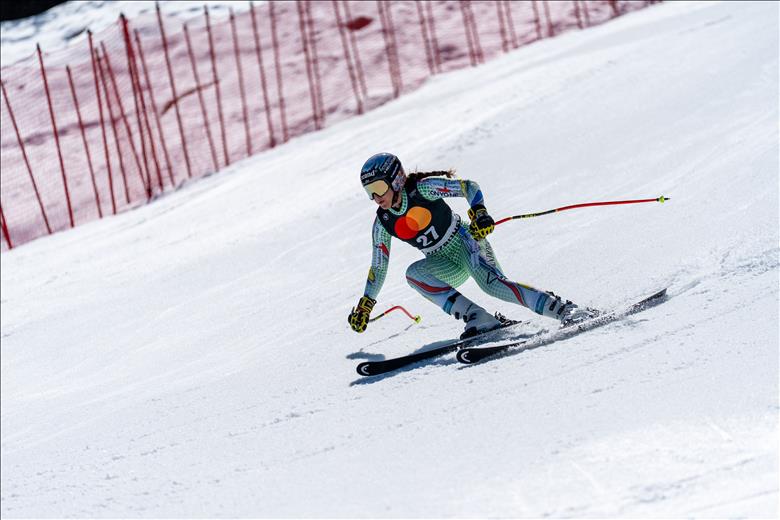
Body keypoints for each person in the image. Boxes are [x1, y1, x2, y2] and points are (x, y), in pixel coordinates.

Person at [348, 152, 596, 338]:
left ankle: (565, 310)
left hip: (466, 243)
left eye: (379, 187)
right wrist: (367, 302)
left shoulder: (423, 190)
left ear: (396, 180)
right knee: (414, 274)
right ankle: (479, 318)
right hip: (445, 263)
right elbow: (378, 267)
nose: (376, 197)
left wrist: (479, 213)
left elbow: (469, 187)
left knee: (494, 286)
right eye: (369, 191)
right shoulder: (383, 223)